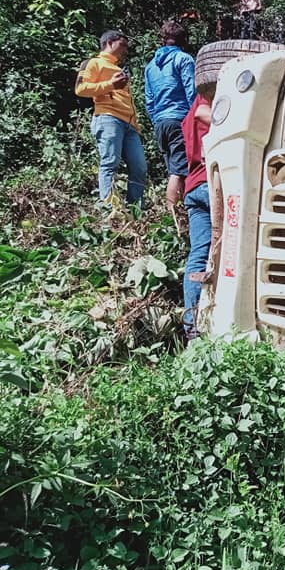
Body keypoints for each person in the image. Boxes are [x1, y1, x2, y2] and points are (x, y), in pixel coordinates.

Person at [75, 30, 147, 209]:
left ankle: (135, 210)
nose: (125, 50)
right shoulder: (93, 63)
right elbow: (80, 89)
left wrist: (136, 125)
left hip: (129, 125)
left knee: (139, 168)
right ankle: (110, 209)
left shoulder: (118, 69)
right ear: (109, 42)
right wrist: (111, 85)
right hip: (108, 117)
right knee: (110, 162)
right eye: (122, 45)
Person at [144, 20, 196, 227]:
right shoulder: (183, 59)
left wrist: (156, 119)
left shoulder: (150, 66)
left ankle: (176, 216)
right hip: (179, 120)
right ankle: (174, 218)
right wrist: (194, 120)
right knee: (179, 171)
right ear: (184, 40)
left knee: (173, 169)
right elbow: (191, 91)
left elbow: (149, 100)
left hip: (160, 122)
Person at [180, 88, 213, 340]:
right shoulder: (211, 105)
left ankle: (192, 328)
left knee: (198, 255)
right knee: (230, 252)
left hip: (193, 187)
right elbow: (207, 114)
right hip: (213, 184)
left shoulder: (189, 112)